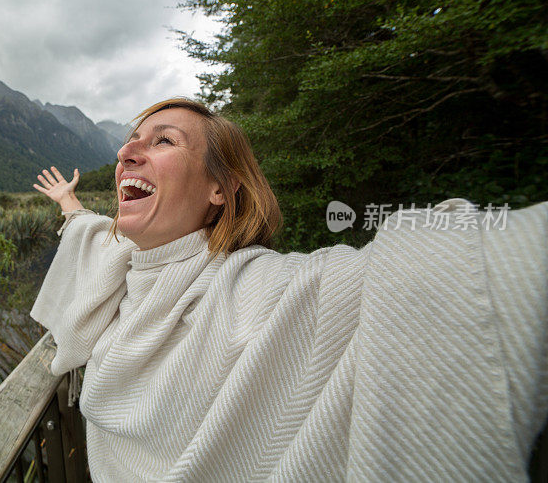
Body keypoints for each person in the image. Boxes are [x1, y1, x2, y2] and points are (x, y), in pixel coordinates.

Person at [31, 97, 548, 482]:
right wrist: (69, 205)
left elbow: (449, 277)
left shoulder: (259, 289)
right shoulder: (120, 269)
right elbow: (91, 234)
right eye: (131, 141)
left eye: (163, 140)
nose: (126, 152)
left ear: (221, 188)